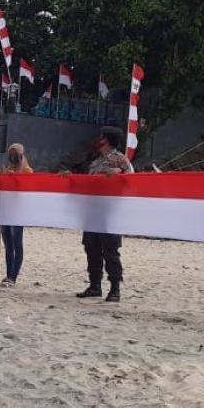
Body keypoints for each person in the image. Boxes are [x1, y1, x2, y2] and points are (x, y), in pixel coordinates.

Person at [72, 126, 134, 302]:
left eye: (101, 137)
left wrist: (120, 172)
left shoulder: (120, 159)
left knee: (111, 252)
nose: (98, 139)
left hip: (110, 213)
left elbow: (131, 180)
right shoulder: (95, 161)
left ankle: (115, 289)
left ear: (106, 139)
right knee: (91, 250)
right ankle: (95, 286)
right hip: (92, 212)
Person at [0, 143, 32, 286]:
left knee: (17, 245)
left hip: (18, 213)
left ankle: (13, 277)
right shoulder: (8, 170)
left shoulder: (27, 170)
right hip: (6, 211)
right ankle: (8, 275)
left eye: (15, 153)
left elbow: (27, 188)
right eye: (10, 153)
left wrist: (16, 178)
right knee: (8, 245)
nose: (13, 156)